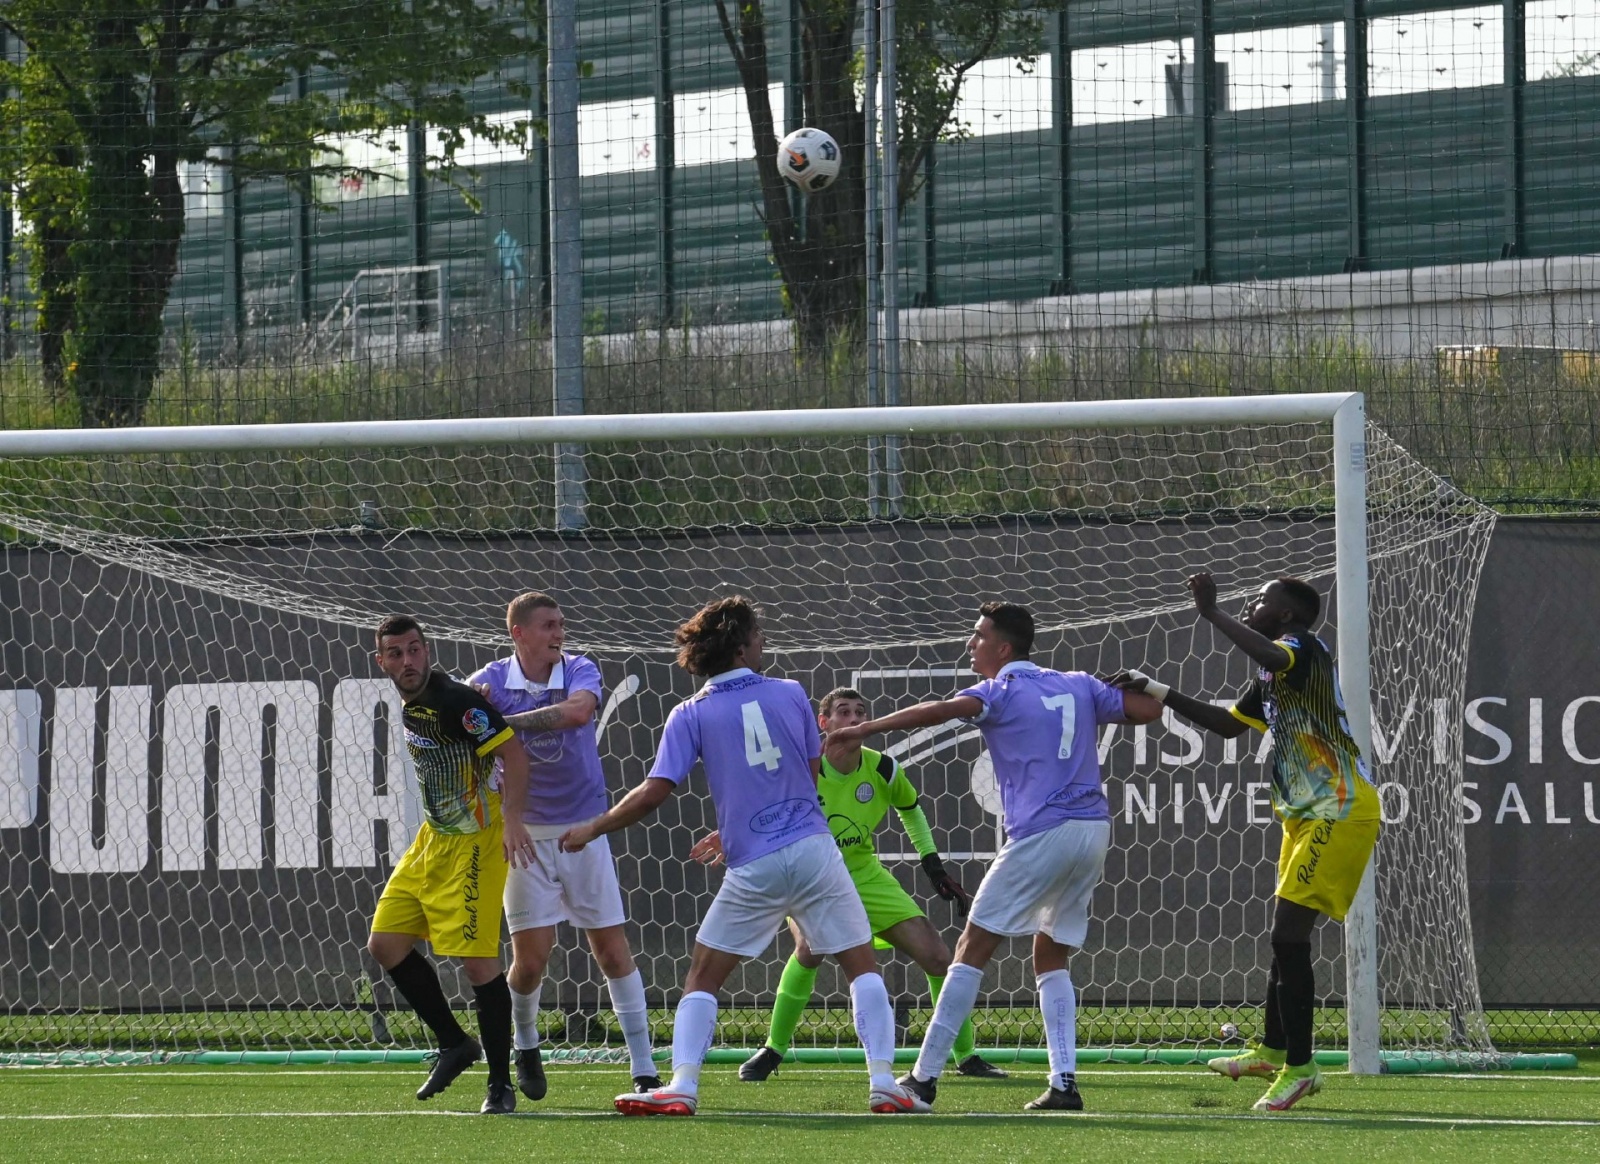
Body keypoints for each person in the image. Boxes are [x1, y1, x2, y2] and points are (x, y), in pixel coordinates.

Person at [559, 596, 930, 1116]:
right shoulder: (791, 692)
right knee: (861, 965)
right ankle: (885, 1083)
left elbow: (653, 791)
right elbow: (812, 772)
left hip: (754, 861)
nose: (764, 642)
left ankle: (682, 1086)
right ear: (739, 645)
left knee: (703, 978)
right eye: (758, 635)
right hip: (813, 851)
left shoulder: (691, 712)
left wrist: (593, 826)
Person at [829, 601, 1163, 1113]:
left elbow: (939, 711)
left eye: (979, 635)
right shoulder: (1077, 682)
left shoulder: (999, 690)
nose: (971, 643)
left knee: (971, 947)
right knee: (1050, 955)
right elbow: (1149, 709)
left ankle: (923, 1080)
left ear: (1003, 647)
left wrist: (865, 731)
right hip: (1093, 830)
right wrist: (1148, 683)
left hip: (1042, 834)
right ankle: (1064, 1083)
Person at [1109, 572, 1381, 1113]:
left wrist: (1211, 614)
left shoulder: (1302, 649)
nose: (1253, 604)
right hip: (1304, 816)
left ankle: (1300, 1069)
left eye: (1261, 600)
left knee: (1288, 938)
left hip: (1339, 808)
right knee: (1284, 938)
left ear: (1285, 615)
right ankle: (1273, 1050)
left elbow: (1277, 658)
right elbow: (1228, 725)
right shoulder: (1274, 675)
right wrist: (1156, 688)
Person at [690, 686, 1006, 1083]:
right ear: (823, 723)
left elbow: (911, 810)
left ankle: (964, 1054)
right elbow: (764, 804)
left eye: (861, 712)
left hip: (863, 873)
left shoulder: (884, 769)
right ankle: (773, 1049)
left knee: (939, 956)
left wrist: (933, 866)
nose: (854, 720)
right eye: (843, 712)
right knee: (809, 949)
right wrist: (728, 832)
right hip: (813, 874)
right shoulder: (806, 767)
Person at [468, 592, 661, 1102]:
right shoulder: (489, 682)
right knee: (530, 961)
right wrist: (474, 711)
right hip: (524, 837)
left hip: (583, 831)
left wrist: (504, 725)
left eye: (561, 624)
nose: (559, 633)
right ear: (519, 633)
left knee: (613, 951)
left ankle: (643, 1068)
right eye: (549, 625)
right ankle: (525, 1046)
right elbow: (461, 725)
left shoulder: (579, 669)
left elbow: (578, 714)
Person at [365, 614, 534, 1115]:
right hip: (433, 840)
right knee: (386, 944)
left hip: (477, 843)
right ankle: (455, 1044)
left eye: (414, 649)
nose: (407, 660)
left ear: (427, 650)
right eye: (396, 653)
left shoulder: (457, 701)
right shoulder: (410, 701)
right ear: (383, 662)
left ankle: (500, 1085)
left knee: (478, 963)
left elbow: (515, 757)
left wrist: (514, 819)